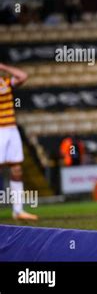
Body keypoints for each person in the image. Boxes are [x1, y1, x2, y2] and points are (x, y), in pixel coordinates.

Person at [0, 63, 38, 221]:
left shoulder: (5, 81)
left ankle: (18, 210)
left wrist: (4, 67)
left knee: (16, 168)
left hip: (11, 129)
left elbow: (23, 76)